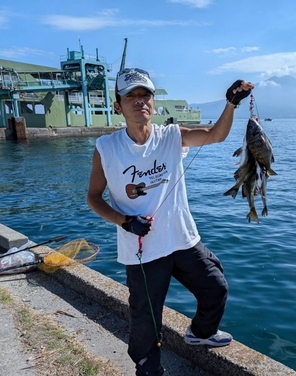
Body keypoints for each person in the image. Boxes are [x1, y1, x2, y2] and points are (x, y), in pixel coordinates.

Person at [87, 68, 254, 376]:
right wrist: (124, 221)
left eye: (145, 95)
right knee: (146, 318)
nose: (140, 102)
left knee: (215, 287)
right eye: (131, 96)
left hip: (181, 239)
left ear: (153, 101)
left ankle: (200, 333)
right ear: (118, 105)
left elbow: (216, 135)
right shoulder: (106, 147)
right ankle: (148, 367)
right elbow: (94, 198)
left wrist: (231, 104)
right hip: (142, 248)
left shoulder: (172, 136)